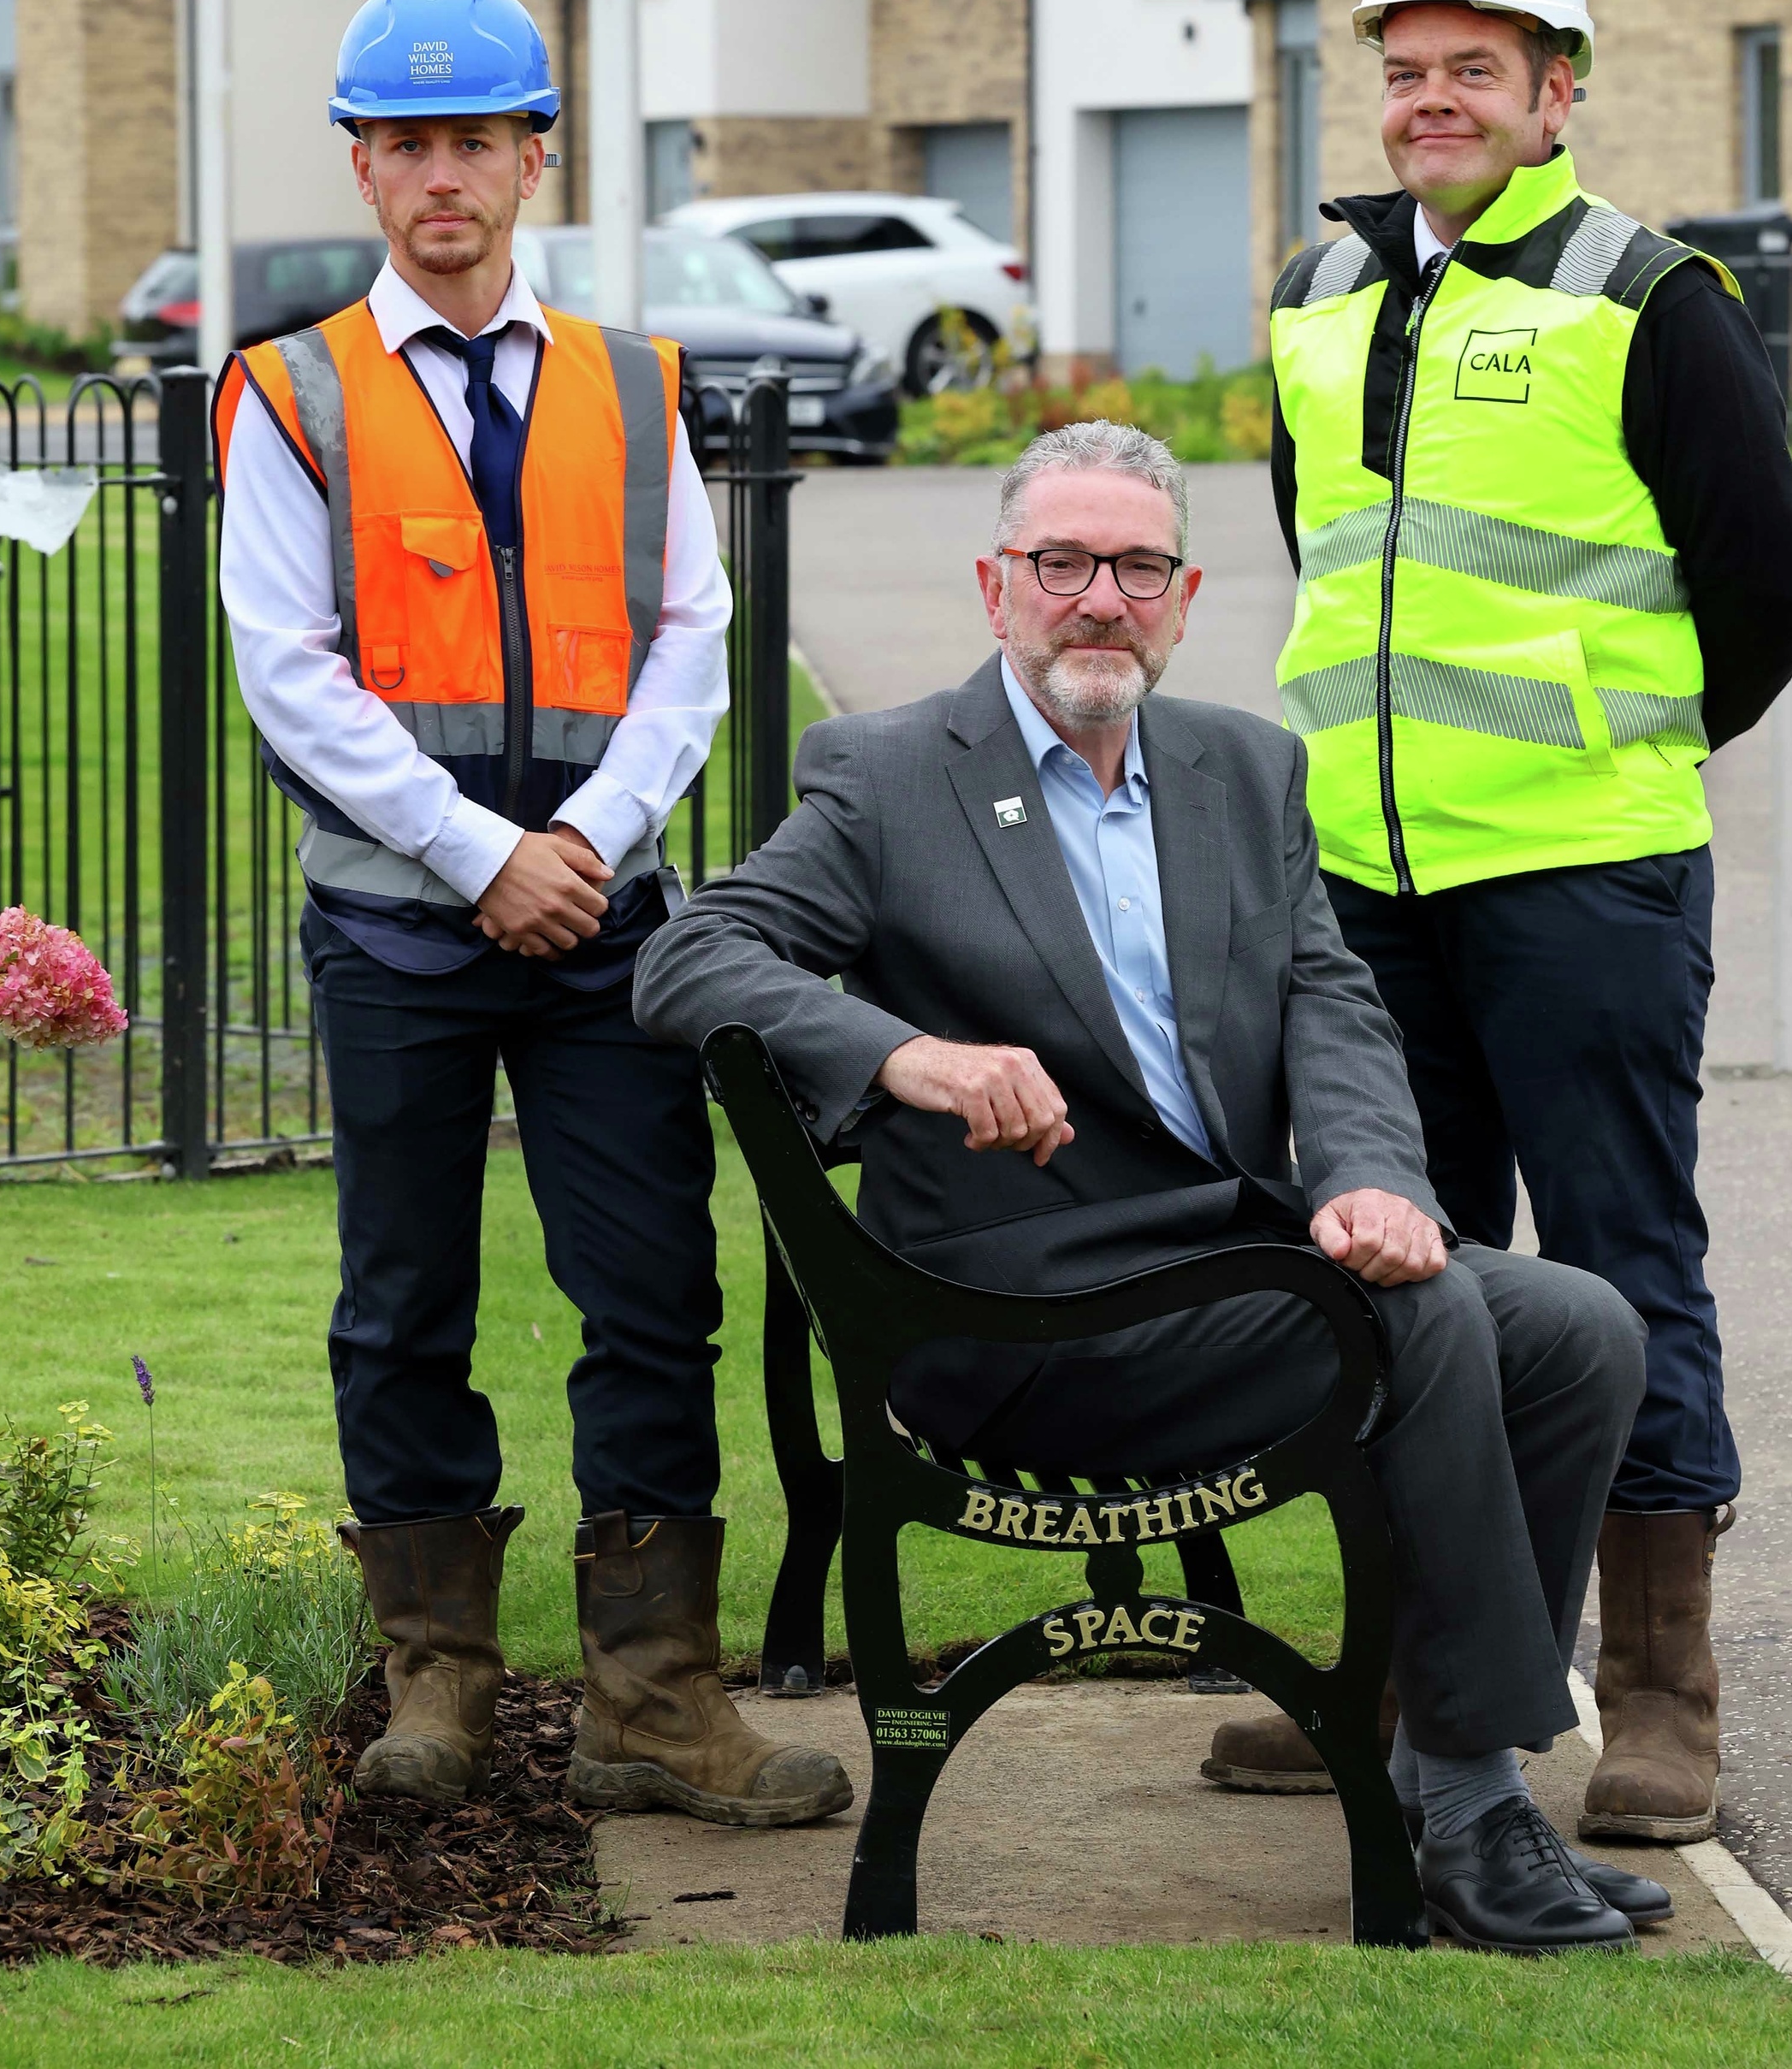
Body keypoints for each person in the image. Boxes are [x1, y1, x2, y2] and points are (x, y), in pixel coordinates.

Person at [636, 417, 1672, 1954]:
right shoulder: (887, 776)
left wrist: (1377, 1178)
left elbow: (1331, 1004)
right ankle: (1468, 1799)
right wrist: (910, 1054)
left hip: (1233, 1275)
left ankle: (1437, 1758)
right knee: (1423, 1318)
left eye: (1135, 567)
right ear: (998, 586)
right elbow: (688, 956)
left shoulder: (1242, 769)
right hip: (1012, 1321)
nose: (1096, 599)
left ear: (1184, 599)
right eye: (1060, 563)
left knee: (1578, 1323)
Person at [214, 0, 849, 1833]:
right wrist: (485, 856)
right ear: (361, 164)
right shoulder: (295, 395)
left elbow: (694, 643)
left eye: (472, 141)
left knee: (651, 1294)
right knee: (402, 1298)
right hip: (401, 925)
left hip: (606, 932)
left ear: (533, 155)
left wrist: (586, 844)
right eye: (403, 143)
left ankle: (656, 1702)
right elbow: (288, 667)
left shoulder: (635, 387)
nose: (440, 178)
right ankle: (443, 1682)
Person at [1265, 0, 1792, 1845]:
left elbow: (1762, 587)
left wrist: (1627, 752)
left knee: (1617, 1260)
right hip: (1362, 891)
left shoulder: (1646, 297)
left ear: (1554, 88)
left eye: (1472, 70)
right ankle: (1414, 1662)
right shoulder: (1317, 304)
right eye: (1406, 72)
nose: (1433, 102)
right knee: (1393, 1274)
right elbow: (1324, 572)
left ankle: (1660, 1690)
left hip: (1586, 882)